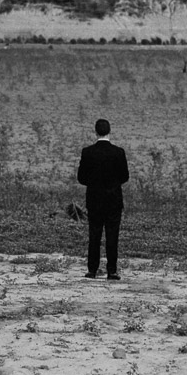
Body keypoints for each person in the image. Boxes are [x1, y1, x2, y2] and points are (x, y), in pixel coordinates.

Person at [77, 118, 129, 280]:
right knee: (112, 235)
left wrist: (94, 184)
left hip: (94, 200)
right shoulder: (118, 152)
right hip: (113, 200)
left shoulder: (87, 152)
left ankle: (92, 270)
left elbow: (81, 178)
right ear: (109, 131)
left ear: (95, 131)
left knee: (94, 235)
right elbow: (125, 177)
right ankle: (112, 271)